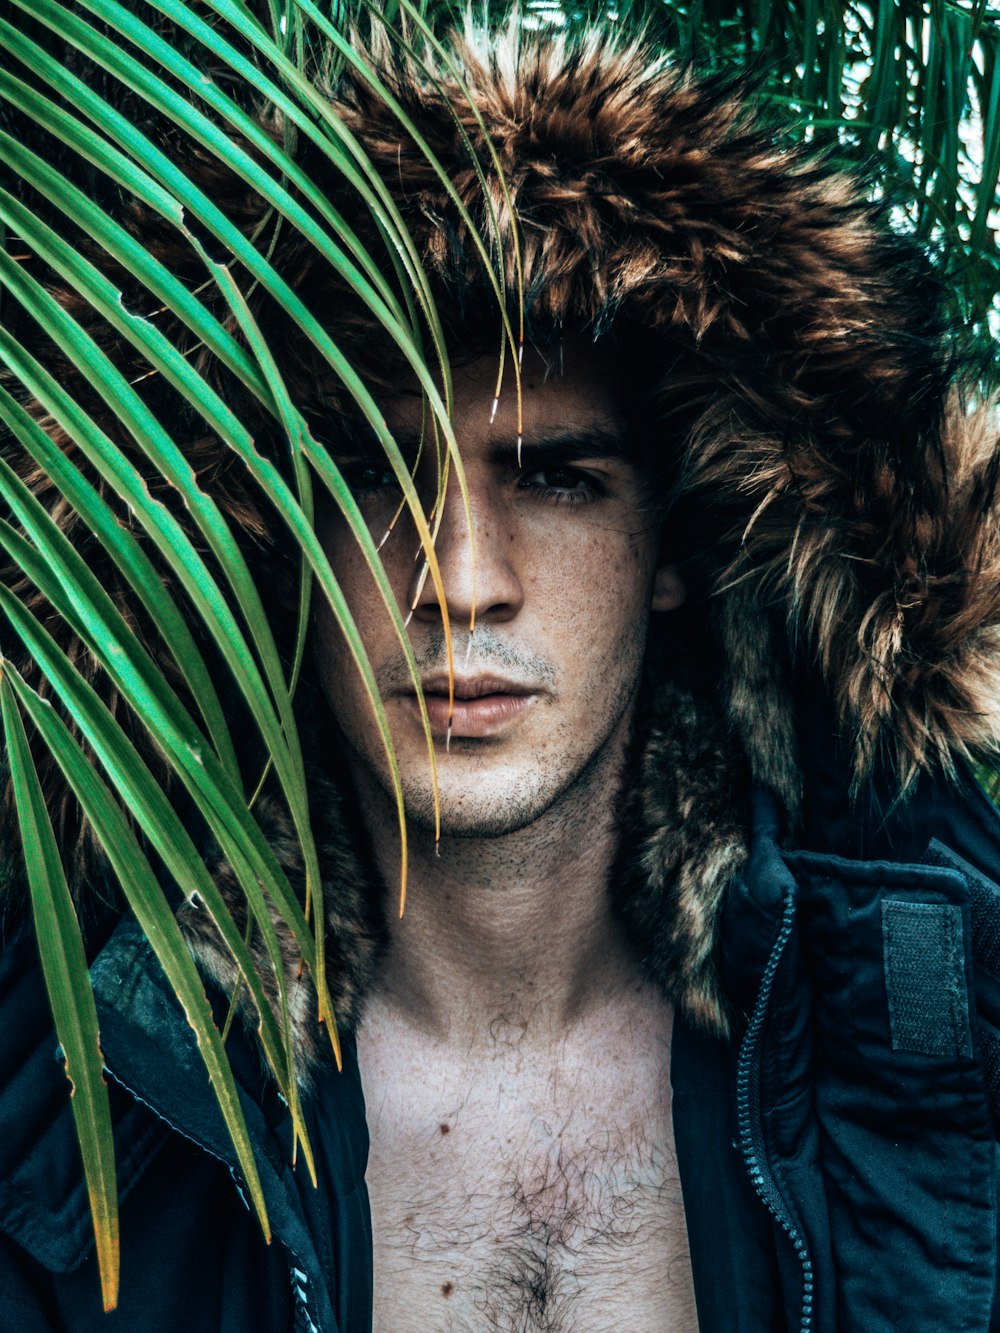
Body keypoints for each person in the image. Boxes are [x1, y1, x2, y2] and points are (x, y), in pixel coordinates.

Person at [1, 16, 999, 1333]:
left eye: (551, 476)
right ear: (271, 544)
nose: (461, 578)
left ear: (674, 546)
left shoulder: (933, 1021)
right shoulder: (72, 1087)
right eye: (372, 482)